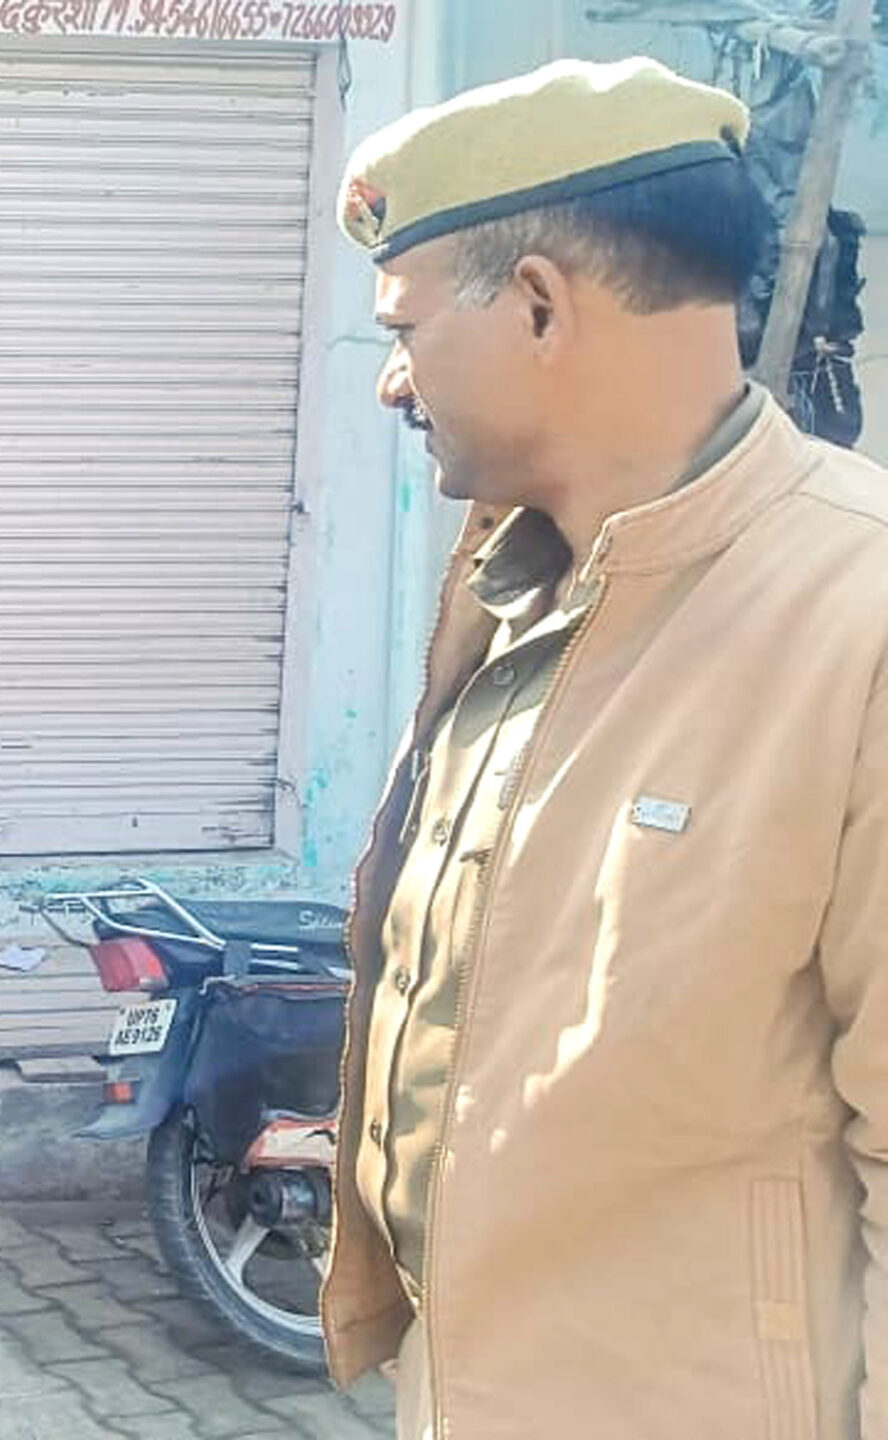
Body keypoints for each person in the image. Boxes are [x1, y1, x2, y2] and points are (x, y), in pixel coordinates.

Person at [322, 58, 888, 1439]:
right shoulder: (518, 582)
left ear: (537, 304)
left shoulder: (854, 616)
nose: (392, 383)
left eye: (404, 327)